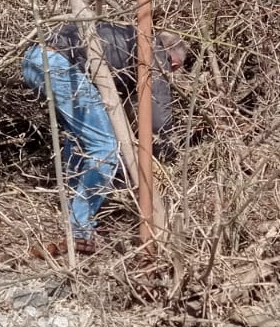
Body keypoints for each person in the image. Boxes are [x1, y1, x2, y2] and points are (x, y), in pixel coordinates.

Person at [21, 21, 186, 247]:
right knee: (105, 147)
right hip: (58, 66)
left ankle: (74, 210)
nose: (169, 74)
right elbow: (158, 116)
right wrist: (167, 151)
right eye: (172, 70)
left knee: (81, 139)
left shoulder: (131, 37)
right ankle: (80, 228)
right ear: (174, 62)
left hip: (34, 59)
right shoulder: (155, 53)